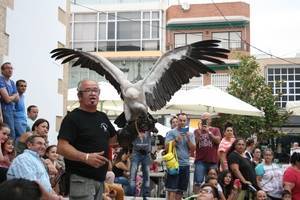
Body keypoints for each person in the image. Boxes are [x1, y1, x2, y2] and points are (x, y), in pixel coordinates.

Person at [57, 79, 117, 200]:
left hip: (100, 178)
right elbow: (62, 147)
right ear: (79, 95)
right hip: (81, 178)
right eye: (88, 90)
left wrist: (131, 126)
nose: (93, 93)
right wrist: (86, 157)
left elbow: (113, 141)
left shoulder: (102, 116)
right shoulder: (72, 118)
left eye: (95, 90)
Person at [165, 113, 196, 200]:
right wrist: (175, 140)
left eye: (184, 120)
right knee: (172, 190)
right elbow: (166, 148)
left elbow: (193, 149)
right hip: (174, 164)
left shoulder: (190, 134)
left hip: (185, 164)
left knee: (180, 191)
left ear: (187, 122)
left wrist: (188, 138)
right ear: (177, 121)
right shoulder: (171, 132)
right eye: (180, 120)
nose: (182, 122)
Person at [193, 112, 221, 193]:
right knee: (198, 182)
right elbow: (195, 143)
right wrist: (200, 132)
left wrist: (209, 132)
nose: (205, 120)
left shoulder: (216, 129)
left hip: (212, 161)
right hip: (200, 161)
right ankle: (197, 198)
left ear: (210, 120)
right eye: (203, 119)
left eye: (206, 119)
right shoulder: (197, 131)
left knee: (213, 182)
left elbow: (218, 141)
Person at [128, 129, 152, 197]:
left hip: (146, 153)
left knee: (146, 175)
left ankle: (145, 195)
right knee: (133, 175)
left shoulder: (148, 127)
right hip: (136, 153)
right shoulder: (134, 128)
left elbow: (154, 128)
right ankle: (132, 194)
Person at [0, 62, 19, 139]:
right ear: (2, 70)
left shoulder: (12, 82)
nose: (10, 70)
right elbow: (7, 99)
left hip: (12, 110)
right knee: (10, 133)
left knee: (14, 132)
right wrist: (13, 96)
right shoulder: (1, 80)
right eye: (7, 68)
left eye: (11, 68)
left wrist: (11, 96)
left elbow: (17, 99)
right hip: (5, 110)